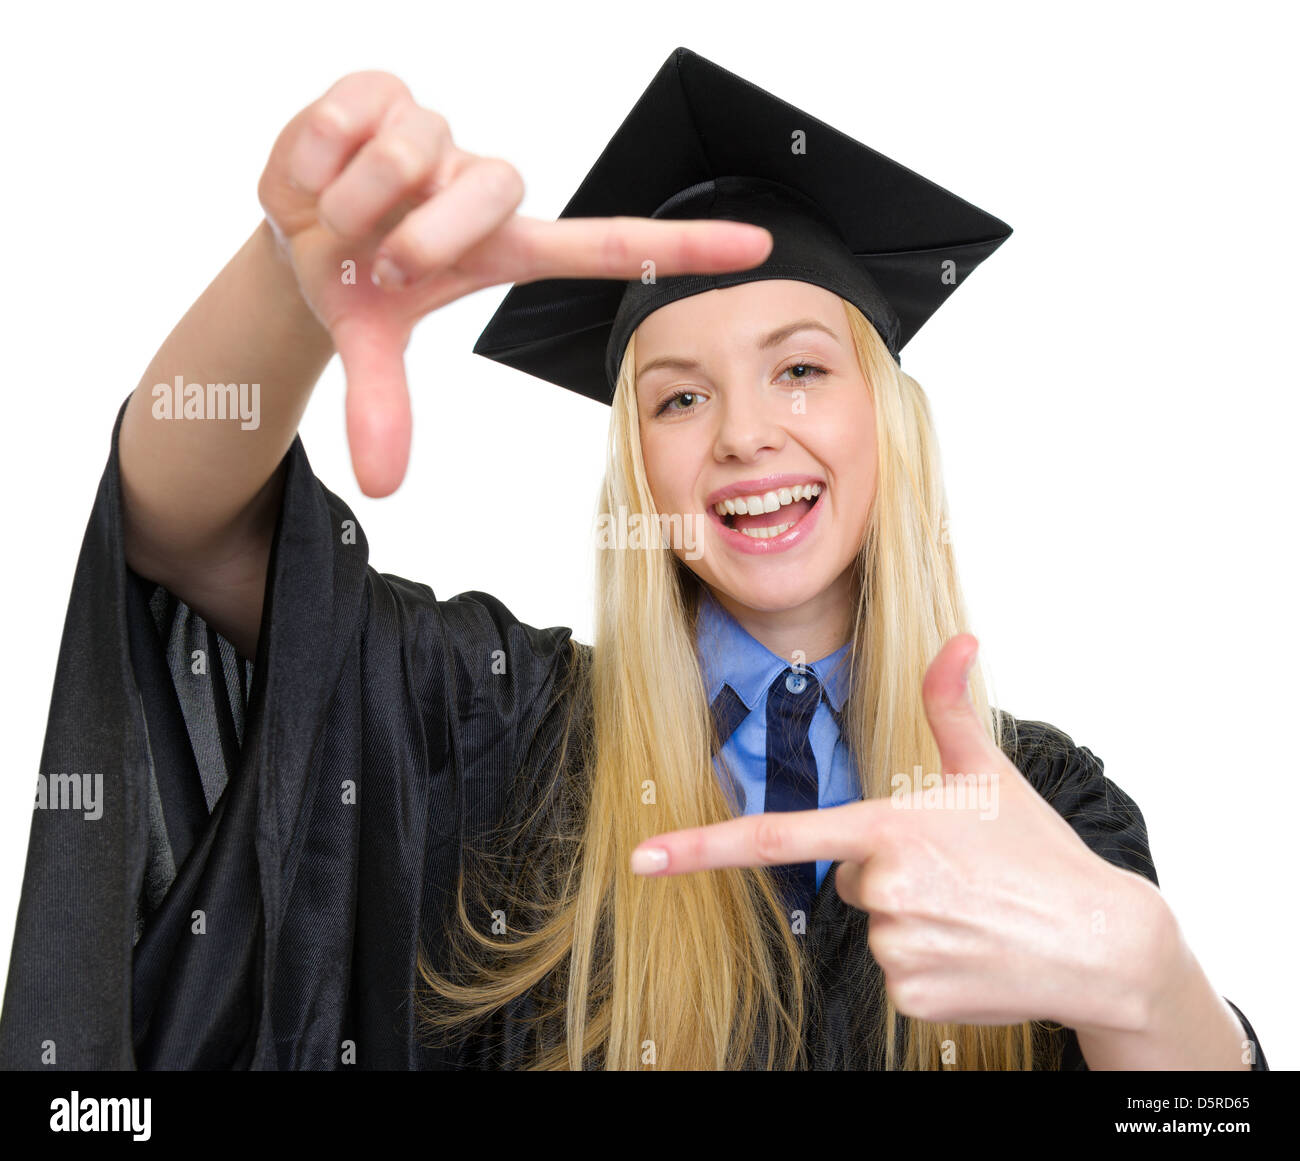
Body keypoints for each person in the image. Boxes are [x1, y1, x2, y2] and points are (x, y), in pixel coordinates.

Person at [0, 48, 1267, 1071]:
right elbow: (178, 529)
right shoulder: (493, 725)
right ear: (639, 469)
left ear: (887, 419)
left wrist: (1151, 987)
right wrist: (290, 286)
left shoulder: (1040, 808)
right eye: (676, 400)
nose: (744, 434)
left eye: (801, 370)